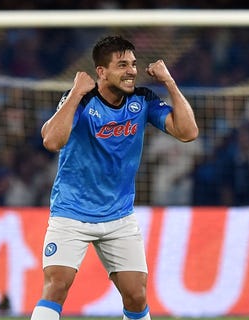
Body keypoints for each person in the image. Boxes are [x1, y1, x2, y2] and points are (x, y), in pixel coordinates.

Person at [31, 35, 198, 320]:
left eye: (133, 64)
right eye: (122, 65)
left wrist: (169, 82)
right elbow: (51, 141)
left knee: (136, 296)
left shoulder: (143, 100)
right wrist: (74, 93)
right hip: (72, 214)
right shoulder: (81, 100)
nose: (132, 70)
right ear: (101, 71)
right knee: (56, 286)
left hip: (119, 216)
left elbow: (188, 132)